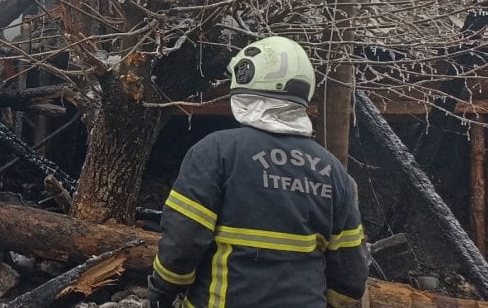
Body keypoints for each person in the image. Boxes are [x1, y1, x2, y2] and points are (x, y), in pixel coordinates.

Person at [147, 36, 367, 308]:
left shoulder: (215, 152)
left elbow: (182, 245)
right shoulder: (333, 171)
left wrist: (162, 294)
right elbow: (350, 276)